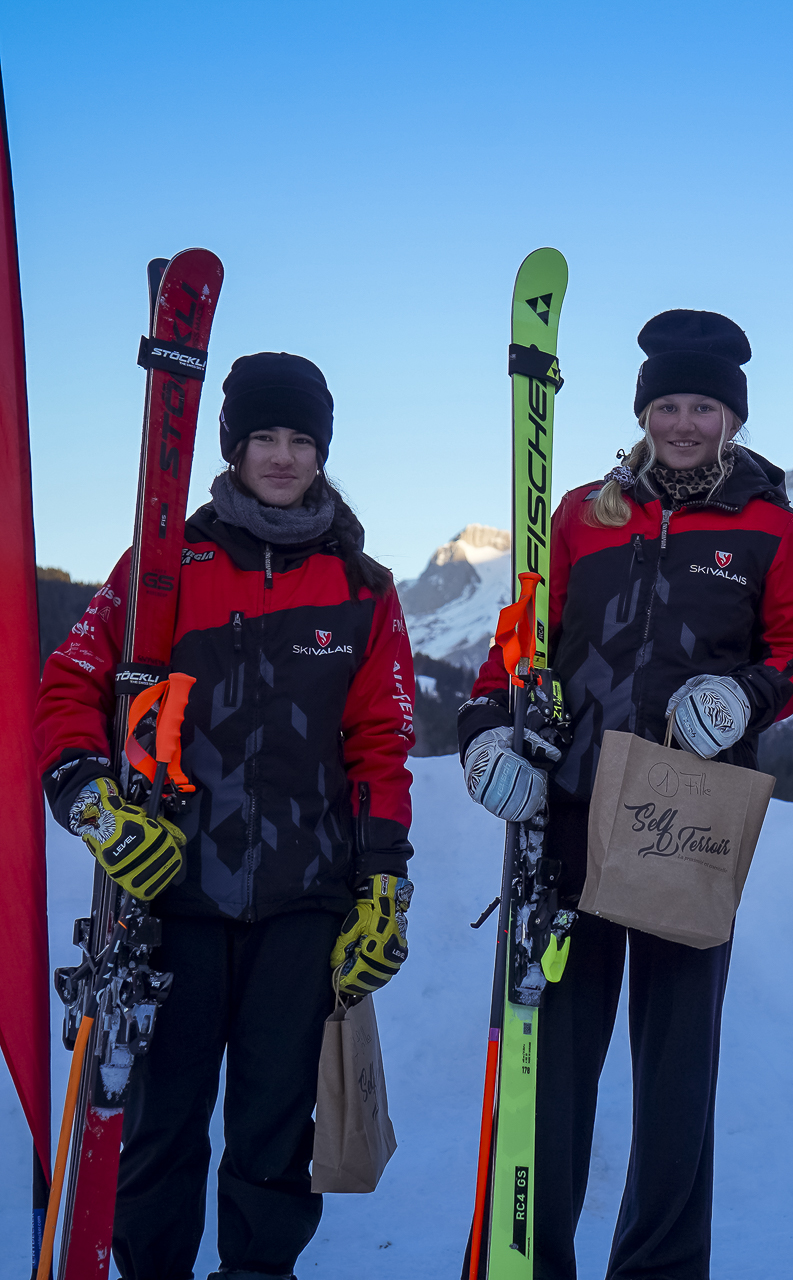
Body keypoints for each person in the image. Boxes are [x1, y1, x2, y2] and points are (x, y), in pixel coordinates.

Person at [459, 309, 793, 1278]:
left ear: (732, 416)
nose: (685, 422)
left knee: (674, 1085)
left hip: (687, 817)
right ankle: (533, 1258)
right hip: (572, 818)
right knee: (554, 1073)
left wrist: (745, 692)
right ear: (644, 410)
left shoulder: (773, 528)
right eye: (668, 403)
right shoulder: (582, 513)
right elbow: (519, 645)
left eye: (704, 405)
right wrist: (486, 732)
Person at [34, 352, 416, 1280]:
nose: (282, 457)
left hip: (304, 899)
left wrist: (384, 884)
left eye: (301, 440)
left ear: (323, 452)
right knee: (162, 1121)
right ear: (232, 447)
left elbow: (380, 746)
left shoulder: (362, 587)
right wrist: (90, 798)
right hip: (171, 893)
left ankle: (258, 1271)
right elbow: (68, 688)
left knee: (275, 1122)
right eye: (264, 438)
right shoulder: (165, 567)